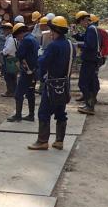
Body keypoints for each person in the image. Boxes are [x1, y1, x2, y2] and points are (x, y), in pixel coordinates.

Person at [28, 16, 75, 150]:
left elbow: (43, 62)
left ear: (54, 30)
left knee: (43, 112)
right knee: (61, 112)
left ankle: (42, 141)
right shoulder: (71, 45)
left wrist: (41, 57)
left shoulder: (53, 45)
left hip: (52, 85)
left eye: (51, 30)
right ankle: (59, 141)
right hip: (65, 84)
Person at [6, 22, 38, 122]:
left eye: (17, 37)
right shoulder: (33, 38)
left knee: (18, 94)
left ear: (20, 33)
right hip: (34, 70)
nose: (17, 39)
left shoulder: (26, 40)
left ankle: (18, 115)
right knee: (30, 93)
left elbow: (20, 54)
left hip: (27, 71)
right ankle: (31, 115)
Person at [75, 11, 101, 115]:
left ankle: (89, 106)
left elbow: (90, 45)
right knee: (91, 83)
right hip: (92, 60)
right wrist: (76, 36)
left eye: (79, 22)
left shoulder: (90, 29)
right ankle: (90, 103)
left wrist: (78, 45)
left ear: (83, 20)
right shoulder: (92, 28)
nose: (80, 24)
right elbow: (85, 39)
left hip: (90, 60)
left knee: (83, 83)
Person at [0, 22, 17, 97]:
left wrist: (3, 52)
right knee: (12, 76)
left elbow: (8, 50)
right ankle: (13, 91)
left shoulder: (10, 39)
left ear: (9, 30)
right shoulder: (11, 38)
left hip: (9, 59)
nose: (4, 31)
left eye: (5, 30)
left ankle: (10, 91)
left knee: (8, 76)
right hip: (12, 58)